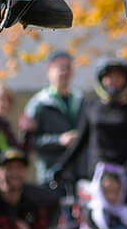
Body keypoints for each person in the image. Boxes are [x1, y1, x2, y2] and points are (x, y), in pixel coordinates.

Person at [24, 51, 84, 190]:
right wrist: (59, 140)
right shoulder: (38, 103)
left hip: (77, 175)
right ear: (49, 71)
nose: (64, 72)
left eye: (68, 68)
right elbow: (30, 141)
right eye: (60, 67)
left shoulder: (80, 100)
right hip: (49, 175)